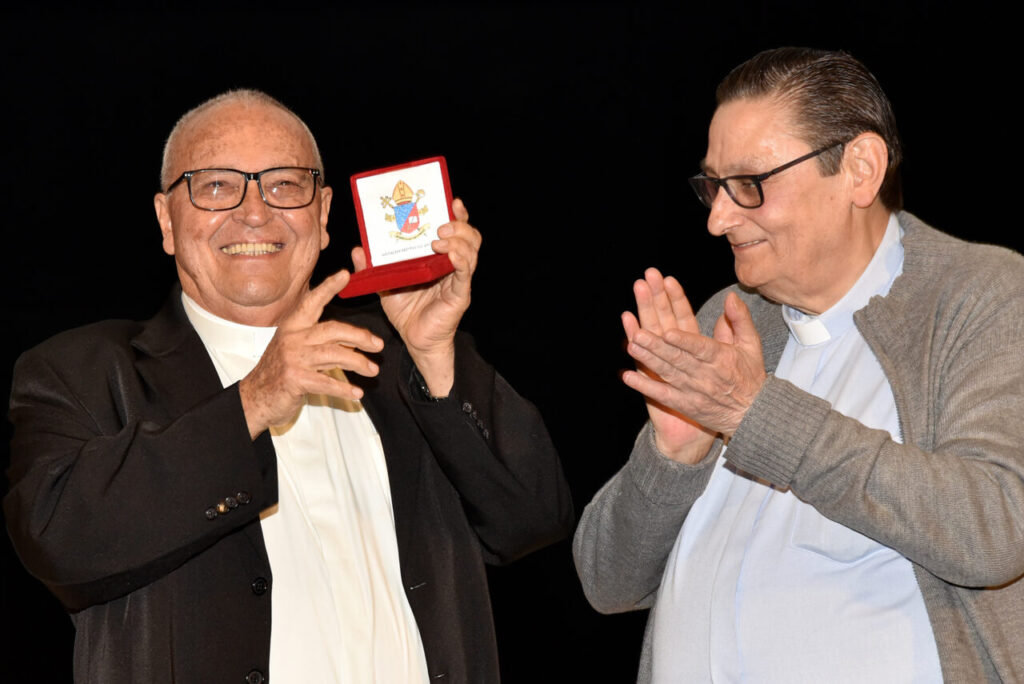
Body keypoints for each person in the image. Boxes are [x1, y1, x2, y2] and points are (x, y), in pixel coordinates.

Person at [5, 89, 572, 684]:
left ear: (323, 215)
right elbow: (57, 542)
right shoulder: (81, 372)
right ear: (166, 221)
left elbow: (534, 520)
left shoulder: (397, 356)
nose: (256, 212)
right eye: (217, 185)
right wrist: (252, 401)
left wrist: (436, 357)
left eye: (284, 185)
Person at [574, 47, 1024, 682]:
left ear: (860, 170)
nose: (718, 219)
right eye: (713, 186)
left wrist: (756, 414)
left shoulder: (980, 294)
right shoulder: (726, 320)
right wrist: (672, 458)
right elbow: (605, 581)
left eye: (750, 185)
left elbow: (997, 529)